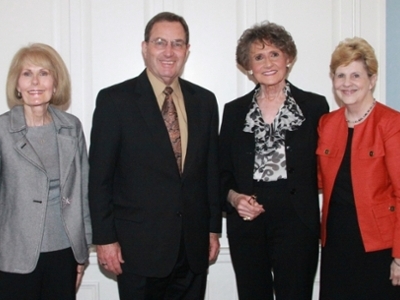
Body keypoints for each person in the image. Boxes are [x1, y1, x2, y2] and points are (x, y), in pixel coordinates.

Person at [88, 11, 221, 299]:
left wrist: (212, 229)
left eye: (178, 43)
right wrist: (105, 239)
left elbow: (210, 171)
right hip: (137, 250)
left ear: (187, 51)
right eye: (160, 42)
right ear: (145, 47)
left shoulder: (205, 102)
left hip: (192, 248)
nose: (169, 52)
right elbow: (99, 178)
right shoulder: (115, 101)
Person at [219, 21, 329, 300]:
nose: (267, 63)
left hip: (297, 219)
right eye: (258, 56)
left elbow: (329, 166)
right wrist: (234, 199)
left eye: (275, 54)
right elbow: (221, 172)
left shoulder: (315, 107)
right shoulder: (233, 112)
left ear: (288, 58)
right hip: (247, 220)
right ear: (248, 66)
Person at [0, 43, 91, 299]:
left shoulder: (72, 128)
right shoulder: (2, 131)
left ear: (55, 82)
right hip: (13, 256)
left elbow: (83, 192)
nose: (35, 82)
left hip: (64, 252)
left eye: (44, 73)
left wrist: (80, 254)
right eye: (27, 73)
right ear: (17, 85)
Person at [317, 37, 400, 299]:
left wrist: (399, 256)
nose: (347, 83)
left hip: (379, 246)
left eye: (356, 75)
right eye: (340, 75)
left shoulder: (391, 123)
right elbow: (315, 180)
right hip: (335, 244)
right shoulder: (326, 124)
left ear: (372, 79)